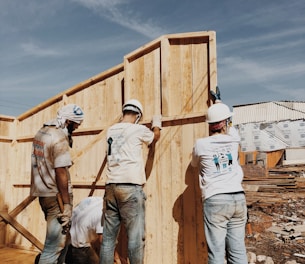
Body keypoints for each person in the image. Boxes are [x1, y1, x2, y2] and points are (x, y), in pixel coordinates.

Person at [100, 99, 162, 264]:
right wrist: (156, 123)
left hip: (111, 187)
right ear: (138, 115)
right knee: (135, 239)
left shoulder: (110, 130)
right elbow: (155, 137)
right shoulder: (138, 129)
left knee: (108, 239)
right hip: (129, 188)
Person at [191, 98, 248, 264]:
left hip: (215, 199)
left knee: (216, 253)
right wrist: (219, 103)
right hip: (238, 198)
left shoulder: (201, 144)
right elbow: (232, 128)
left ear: (209, 125)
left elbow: (194, 164)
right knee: (238, 252)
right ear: (225, 123)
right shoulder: (234, 139)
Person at [30, 103, 84, 264]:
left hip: (43, 194)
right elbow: (60, 171)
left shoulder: (41, 132)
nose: (76, 129)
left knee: (63, 244)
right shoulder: (59, 137)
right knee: (53, 248)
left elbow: (46, 162)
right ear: (68, 121)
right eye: (75, 125)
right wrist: (67, 205)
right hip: (57, 198)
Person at [67, 196, 122, 264]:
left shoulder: (99, 200)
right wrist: (117, 258)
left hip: (72, 235)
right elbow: (105, 242)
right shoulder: (106, 216)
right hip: (79, 246)